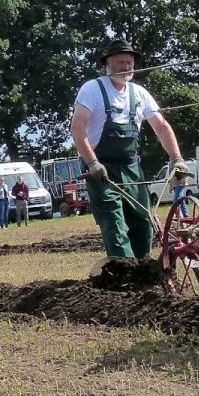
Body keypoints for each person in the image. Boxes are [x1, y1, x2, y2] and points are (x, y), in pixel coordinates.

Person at [71, 39, 188, 259]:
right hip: (101, 169)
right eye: (121, 62)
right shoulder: (92, 89)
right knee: (113, 222)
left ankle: (142, 268)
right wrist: (93, 163)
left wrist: (177, 158)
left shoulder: (140, 94)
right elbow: (77, 129)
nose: (126, 67)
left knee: (143, 220)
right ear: (108, 65)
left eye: (129, 62)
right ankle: (124, 273)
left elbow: (161, 127)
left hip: (131, 167)